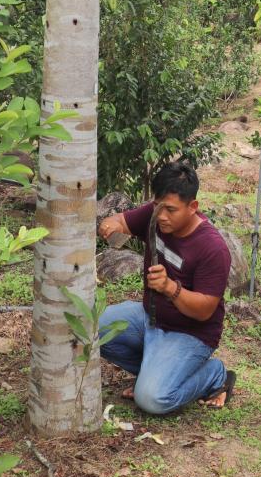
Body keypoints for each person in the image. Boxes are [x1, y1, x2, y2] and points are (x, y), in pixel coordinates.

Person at [97, 161, 234, 414]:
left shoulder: (212, 248)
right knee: (90, 328)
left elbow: (205, 310)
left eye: (171, 209)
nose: (162, 216)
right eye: (158, 206)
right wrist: (113, 224)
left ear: (193, 207)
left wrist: (171, 288)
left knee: (153, 399)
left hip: (189, 335)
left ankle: (215, 375)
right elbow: (123, 221)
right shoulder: (156, 215)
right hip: (150, 319)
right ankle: (155, 372)